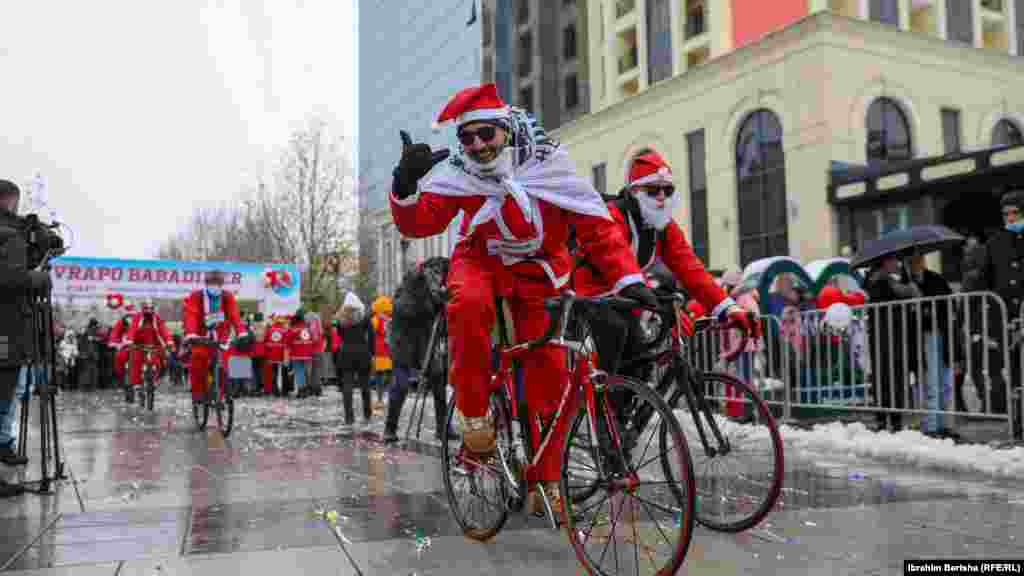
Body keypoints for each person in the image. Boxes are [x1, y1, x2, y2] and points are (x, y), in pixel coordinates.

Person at [390, 83, 656, 514]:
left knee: (549, 377)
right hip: (482, 263)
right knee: (469, 306)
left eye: (485, 135)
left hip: (539, 274)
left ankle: (545, 481)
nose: (476, 146)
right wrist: (404, 187)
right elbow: (422, 221)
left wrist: (629, 279)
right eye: (466, 137)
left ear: (508, 129)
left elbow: (597, 226)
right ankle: (475, 418)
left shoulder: (549, 162)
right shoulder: (461, 174)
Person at [572, 151, 760, 438]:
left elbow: (691, 267)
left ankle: (621, 424)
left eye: (667, 190)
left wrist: (728, 308)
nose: (661, 196)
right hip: (591, 296)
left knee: (643, 360)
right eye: (653, 190)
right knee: (617, 333)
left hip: (627, 300)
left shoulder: (663, 227)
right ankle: (604, 422)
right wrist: (646, 294)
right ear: (635, 192)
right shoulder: (614, 216)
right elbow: (615, 256)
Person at [965, 189, 1024, 439]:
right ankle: (1019, 425)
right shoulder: (995, 243)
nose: (1010, 218)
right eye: (1006, 214)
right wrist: (979, 325)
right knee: (1015, 376)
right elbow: (983, 286)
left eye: (1015, 213)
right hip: (1006, 321)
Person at [865, 255, 920, 432]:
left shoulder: (896, 279)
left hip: (895, 335)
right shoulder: (877, 280)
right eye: (892, 261)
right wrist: (908, 289)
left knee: (894, 376)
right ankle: (885, 418)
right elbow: (899, 294)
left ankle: (893, 417)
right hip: (885, 335)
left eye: (897, 260)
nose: (896, 264)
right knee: (885, 376)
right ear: (883, 263)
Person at [182, 270, 249, 403]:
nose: (215, 286)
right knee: (198, 359)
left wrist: (241, 332)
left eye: (218, 283)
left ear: (221, 284)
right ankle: (198, 392)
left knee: (226, 363)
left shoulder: (227, 296)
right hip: (200, 336)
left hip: (221, 336)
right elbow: (191, 315)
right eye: (212, 283)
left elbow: (234, 315)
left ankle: (222, 394)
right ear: (206, 284)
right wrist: (191, 333)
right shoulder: (197, 296)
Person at [336, 298, 374, 431]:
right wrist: (371, 352)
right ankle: (367, 414)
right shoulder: (364, 317)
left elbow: (340, 335)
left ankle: (349, 417)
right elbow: (371, 335)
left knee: (347, 386)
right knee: (365, 385)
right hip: (362, 352)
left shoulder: (341, 319)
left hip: (346, 353)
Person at [124, 298, 173, 394]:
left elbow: (163, 330)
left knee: (161, 360)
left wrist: (169, 341)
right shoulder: (137, 318)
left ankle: (156, 378)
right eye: (146, 309)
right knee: (135, 361)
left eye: (150, 309)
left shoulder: (156, 318)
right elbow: (132, 329)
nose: (148, 311)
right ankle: (137, 382)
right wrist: (130, 340)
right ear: (143, 309)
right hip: (138, 345)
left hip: (153, 345)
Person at [286, 309, 317, 399]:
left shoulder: (292, 329)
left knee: (299, 371)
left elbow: (287, 343)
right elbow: (314, 340)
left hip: (296, 354)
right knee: (306, 371)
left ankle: (301, 390)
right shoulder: (308, 329)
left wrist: (287, 357)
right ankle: (306, 389)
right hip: (308, 354)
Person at [370, 296, 394, 409]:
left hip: (379, 350)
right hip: (390, 350)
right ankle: (391, 397)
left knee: (379, 376)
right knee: (390, 375)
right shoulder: (391, 319)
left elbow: (371, 333)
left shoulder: (375, 319)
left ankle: (380, 399)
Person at [262, 314, 290, 396]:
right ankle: (285, 390)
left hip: (272, 354)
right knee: (284, 372)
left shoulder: (269, 330)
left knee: (274, 372)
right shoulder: (285, 330)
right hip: (283, 355)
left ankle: (275, 390)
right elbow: (287, 343)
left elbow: (265, 341)